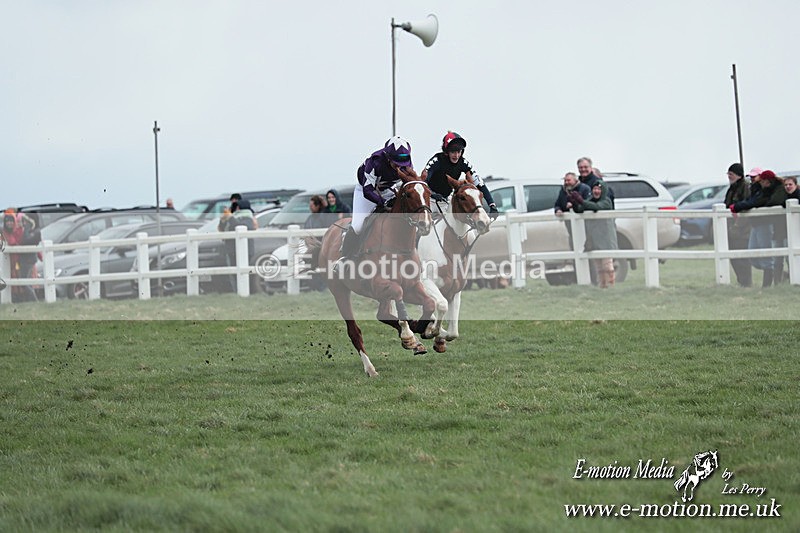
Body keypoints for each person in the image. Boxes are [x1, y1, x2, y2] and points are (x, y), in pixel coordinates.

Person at [341, 136, 416, 258]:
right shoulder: (375, 162)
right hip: (366, 191)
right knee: (358, 226)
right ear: (387, 157)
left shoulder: (407, 163)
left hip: (388, 189)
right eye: (395, 163)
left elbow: (410, 184)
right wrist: (382, 202)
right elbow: (368, 190)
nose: (399, 167)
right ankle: (345, 257)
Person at [420, 132, 499, 217]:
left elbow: (480, 184)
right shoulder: (437, 160)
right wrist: (432, 194)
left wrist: (492, 204)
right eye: (453, 152)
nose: (456, 156)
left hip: (445, 200)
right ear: (447, 152)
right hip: (429, 200)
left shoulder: (463, 162)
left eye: (459, 152)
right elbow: (423, 180)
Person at [731, 169, 785, 287]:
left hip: (766, 223)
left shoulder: (772, 189)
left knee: (766, 256)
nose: (752, 179)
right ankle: (776, 274)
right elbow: (753, 201)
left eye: (754, 177)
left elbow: (760, 202)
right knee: (753, 255)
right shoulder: (757, 189)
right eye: (751, 177)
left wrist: (738, 206)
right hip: (755, 223)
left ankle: (767, 284)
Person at [572, 180, 618, 288]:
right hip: (593, 238)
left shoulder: (606, 201)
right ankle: (602, 286)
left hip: (606, 238)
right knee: (598, 266)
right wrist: (575, 202)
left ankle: (611, 285)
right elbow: (580, 209)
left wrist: (582, 201)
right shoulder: (590, 200)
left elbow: (597, 207)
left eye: (599, 189)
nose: (596, 191)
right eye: (594, 189)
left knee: (607, 265)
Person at [219, 198, 257, 292]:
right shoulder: (234, 217)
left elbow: (240, 228)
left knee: (243, 273)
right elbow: (222, 229)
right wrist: (223, 220)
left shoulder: (248, 218)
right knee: (234, 274)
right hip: (232, 249)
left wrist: (230, 218)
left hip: (244, 250)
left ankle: (244, 292)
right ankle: (237, 291)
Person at [723, 163, 752, 287]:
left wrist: (738, 225)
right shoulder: (731, 188)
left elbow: (746, 207)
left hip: (742, 228)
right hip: (731, 227)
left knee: (742, 257)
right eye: (728, 174)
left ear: (738, 175)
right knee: (733, 256)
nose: (729, 176)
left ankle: (746, 282)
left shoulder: (745, 187)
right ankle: (742, 281)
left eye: (731, 174)